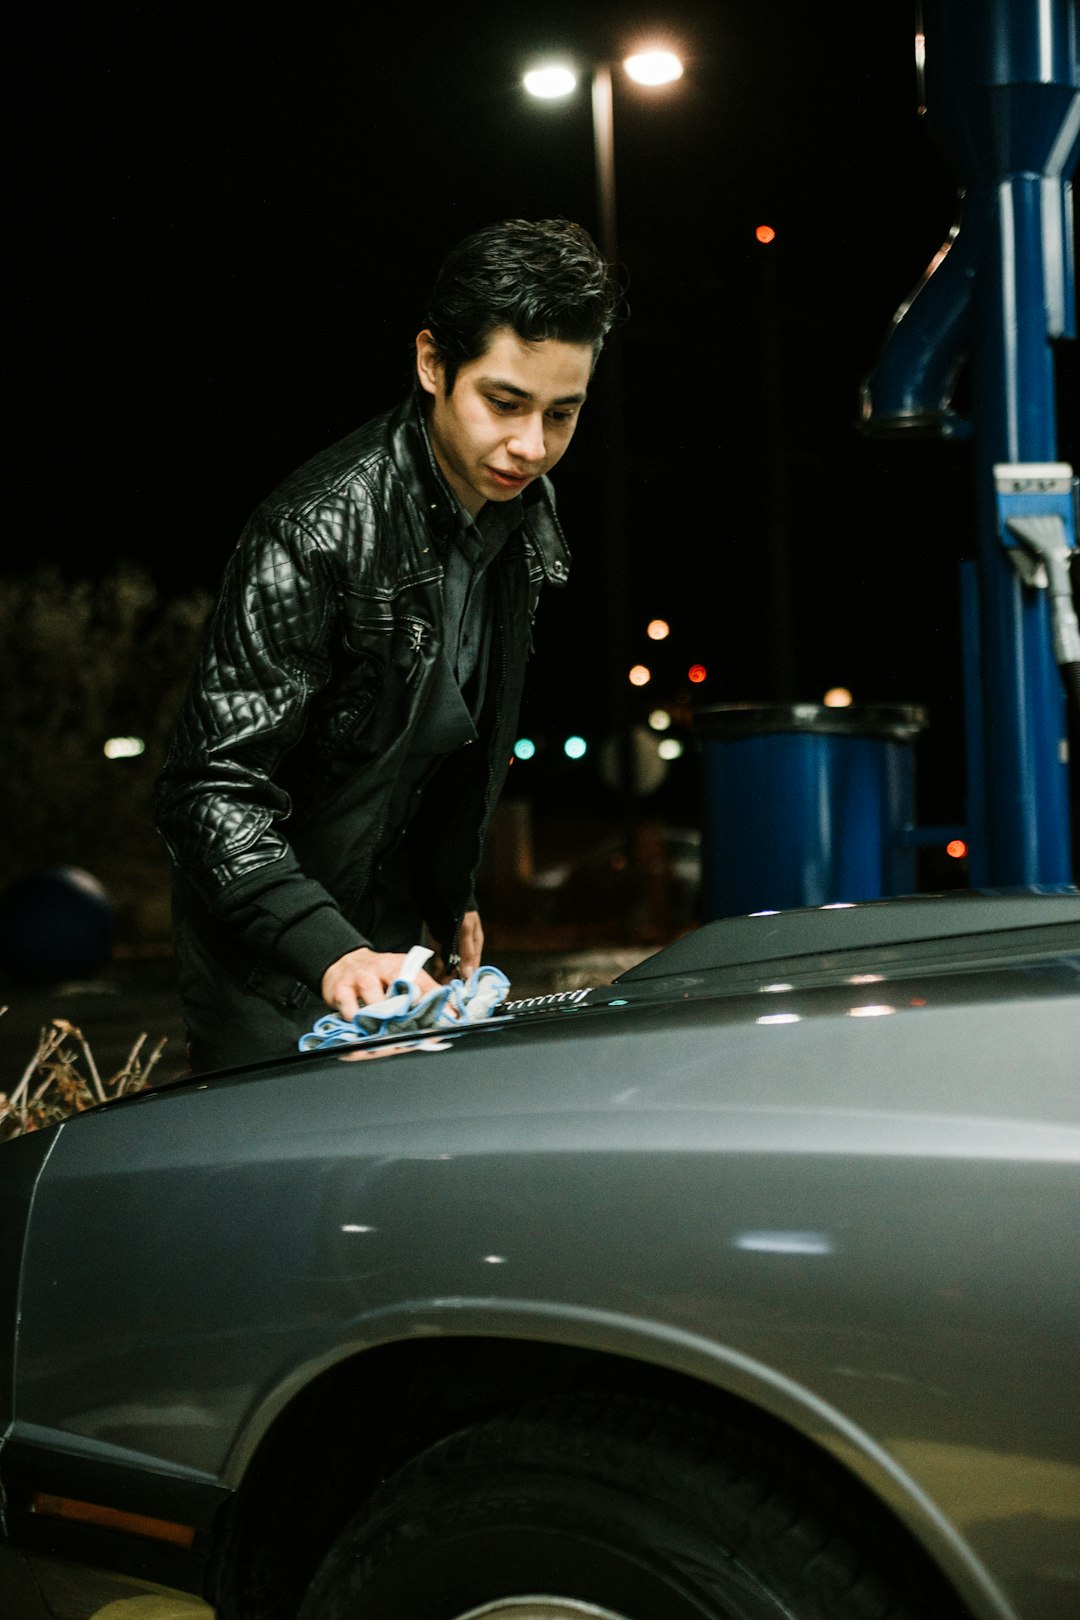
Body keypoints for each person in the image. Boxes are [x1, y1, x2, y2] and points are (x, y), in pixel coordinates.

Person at [154, 218, 618, 1072]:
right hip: (268, 959)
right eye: (505, 403)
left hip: (397, 942)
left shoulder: (520, 518)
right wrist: (326, 947)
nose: (531, 447)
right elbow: (205, 791)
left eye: (563, 413)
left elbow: (438, 736)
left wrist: (453, 892)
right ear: (433, 365)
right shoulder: (312, 533)